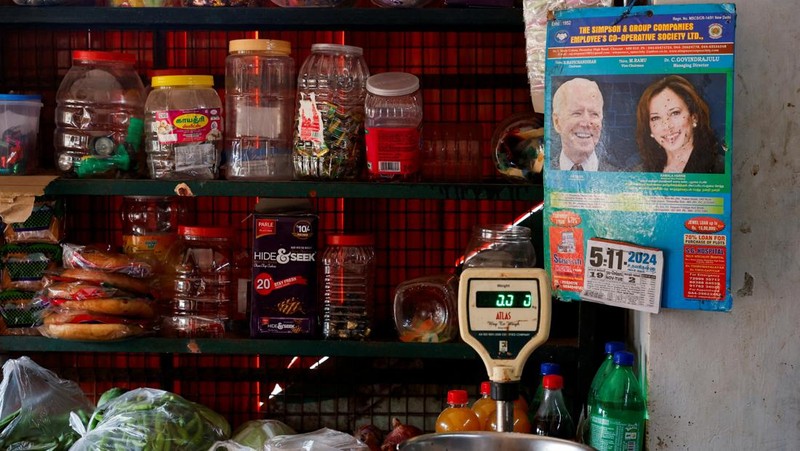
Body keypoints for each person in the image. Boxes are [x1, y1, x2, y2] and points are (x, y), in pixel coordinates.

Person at [635, 75, 725, 173]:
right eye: (655, 118)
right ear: (649, 128)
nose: (667, 125)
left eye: (675, 113)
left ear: (694, 117)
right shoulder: (640, 172)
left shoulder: (721, 167)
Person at [550, 78, 615, 171]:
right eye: (577, 113)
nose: (586, 123)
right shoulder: (542, 173)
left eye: (594, 114)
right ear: (557, 122)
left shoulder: (618, 177)